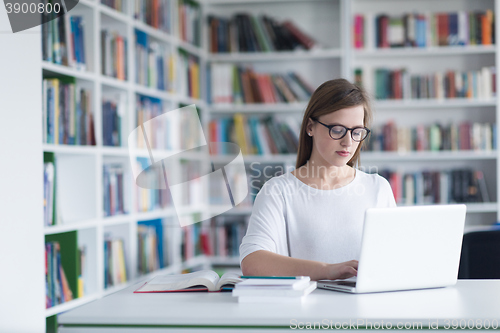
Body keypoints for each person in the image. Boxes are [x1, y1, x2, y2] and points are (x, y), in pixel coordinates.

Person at [239, 78, 396, 281]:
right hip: (305, 311)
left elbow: (393, 259)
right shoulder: (278, 191)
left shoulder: (378, 188)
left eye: (357, 132)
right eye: (337, 130)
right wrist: (327, 270)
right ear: (310, 127)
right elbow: (252, 262)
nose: (348, 142)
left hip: (364, 308)